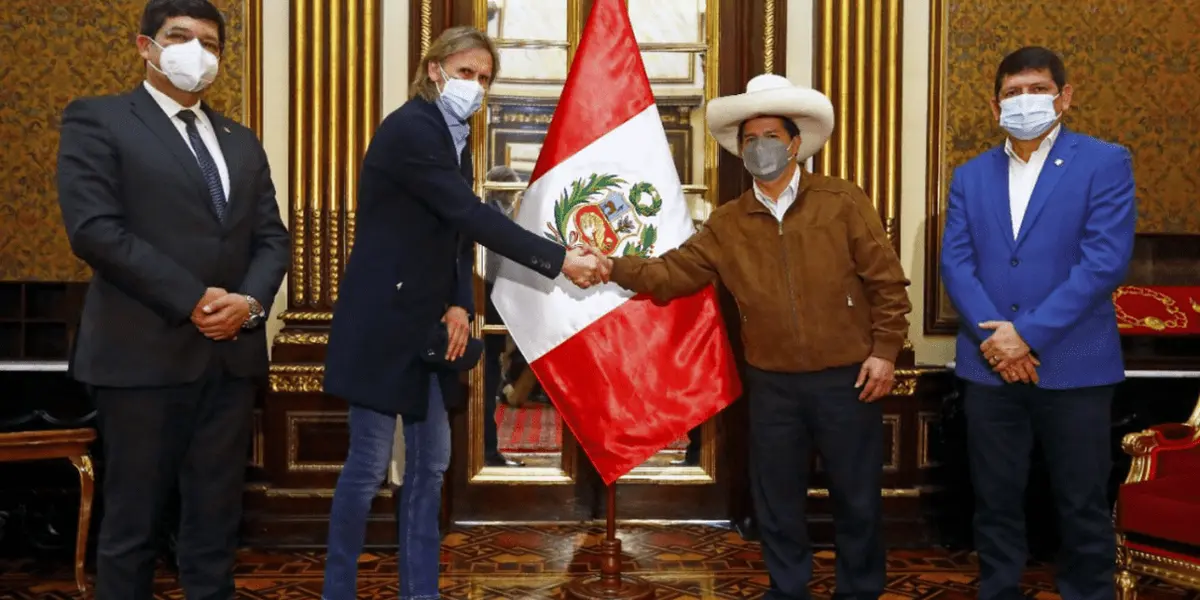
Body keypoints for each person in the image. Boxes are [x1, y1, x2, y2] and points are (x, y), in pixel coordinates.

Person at [597, 73, 912, 600]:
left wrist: (885, 354)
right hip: (773, 384)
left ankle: (859, 590)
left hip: (849, 377)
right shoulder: (728, 222)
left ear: (795, 143)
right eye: (749, 139)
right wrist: (610, 266)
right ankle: (788, 589)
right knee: (777, 498)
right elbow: (672, 274)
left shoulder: (842, 201)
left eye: (770, 136)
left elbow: (888, 283)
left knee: (857, 496)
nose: (760, 147)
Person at [320, 26, 606, 600]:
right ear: (434, 70)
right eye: (466, 72)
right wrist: (558, 259)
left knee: (431, 467)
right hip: (382, 326)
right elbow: (466, 212)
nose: (474, 86)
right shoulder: (412, 128)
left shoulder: (453, 135)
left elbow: (449, 232)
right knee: (368, 468)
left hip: (430, 328)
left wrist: (457, 301)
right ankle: (337, 590)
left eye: (484, 78)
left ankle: (420, 591)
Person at [54, 1, 290, 598]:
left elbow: (272, 238)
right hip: (141, 358)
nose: (197, 51)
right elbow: (95, 230)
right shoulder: (99, 120)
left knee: (214, 527)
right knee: (131, 529)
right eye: (180, 37)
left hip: (230, 360)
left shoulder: (240, 139)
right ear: (145, 46)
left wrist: (250, 305)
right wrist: (192, 300)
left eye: (210, 43)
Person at [940, 46, 1135, 600]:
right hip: (990, 368)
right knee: (996, 500)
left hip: (1075, 365)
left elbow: (1103, 262)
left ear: (1064, 96)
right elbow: (956, 263)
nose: (1025, 101)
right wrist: (996, 340)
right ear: (995, 104)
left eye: (1037, 89)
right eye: (1012, 92)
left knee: (1080, 502)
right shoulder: (970, 176)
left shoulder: (1105, 161)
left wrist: (1025, 336)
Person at [481, 165, 524, 467]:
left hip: (490, 305)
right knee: (487, 381)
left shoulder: (495, 214)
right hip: (490, 307)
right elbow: (500, 271)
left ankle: (487, 450)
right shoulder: (494, 218)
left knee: (491, 380)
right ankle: (486, 452)